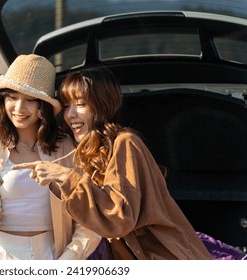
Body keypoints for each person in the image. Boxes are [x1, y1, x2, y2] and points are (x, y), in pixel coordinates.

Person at [12, 67, 213, 260]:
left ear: (102, 105)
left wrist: (66, 177)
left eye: (80, 104)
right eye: (66, 105)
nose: (70, 114)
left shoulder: (125, 143)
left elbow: (119, 218)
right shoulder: (87, 153)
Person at [0, 54, 100, 260]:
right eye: (12, 98)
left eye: (30, 100)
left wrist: (67, 262)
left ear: (43, 106)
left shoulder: (67, 147)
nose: (19, 108)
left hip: (52, 254)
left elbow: (89, 219)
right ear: (3, 100)